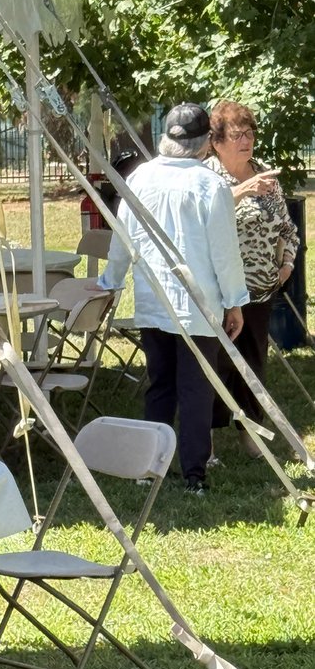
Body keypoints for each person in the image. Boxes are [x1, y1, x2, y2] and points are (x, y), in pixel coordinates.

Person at [98, 102, 249, 495]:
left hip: (153, 301)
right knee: (195, 389)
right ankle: (193, 473)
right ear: (205, 144)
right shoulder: (210, 184)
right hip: (197, 308)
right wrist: (235, 301)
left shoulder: (141, 178)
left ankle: (148, 466)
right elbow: (224, 253)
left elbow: (121, 239)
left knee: (160, 385)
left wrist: (110, 282)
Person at [205, 101, 299, 458]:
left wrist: (287, 264)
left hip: (259, 290)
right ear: (217, 141)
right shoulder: (207, 177)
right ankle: (208, 439)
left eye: (250, 133)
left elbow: (288, 231)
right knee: (218, 363)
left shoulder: (266, 179)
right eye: (237, 134)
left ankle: (250, 434)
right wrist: (241, 191)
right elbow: (203, 220)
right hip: (219, 291)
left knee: (254, 363)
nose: (246, 141)